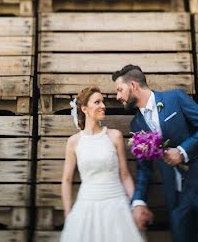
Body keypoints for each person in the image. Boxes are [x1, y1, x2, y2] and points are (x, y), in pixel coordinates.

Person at [113, 64, 198, 242]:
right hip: (176, 196)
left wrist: (182, 151)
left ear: (133, 86)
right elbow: (144, 169)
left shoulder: (175, 98)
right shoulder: (136, 125)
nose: (118, 96)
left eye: (119, 90)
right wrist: (138, 201)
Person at [60, 86, 145, 242]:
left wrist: (136, 205)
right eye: (97, 102)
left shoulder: (114, 136)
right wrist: (68, 213)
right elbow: (66, 180)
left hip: (117, 204)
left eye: (103, 102)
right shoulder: (74, 142)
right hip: (86, 205)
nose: (103, 106)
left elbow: (125, 175)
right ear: (84, 108)